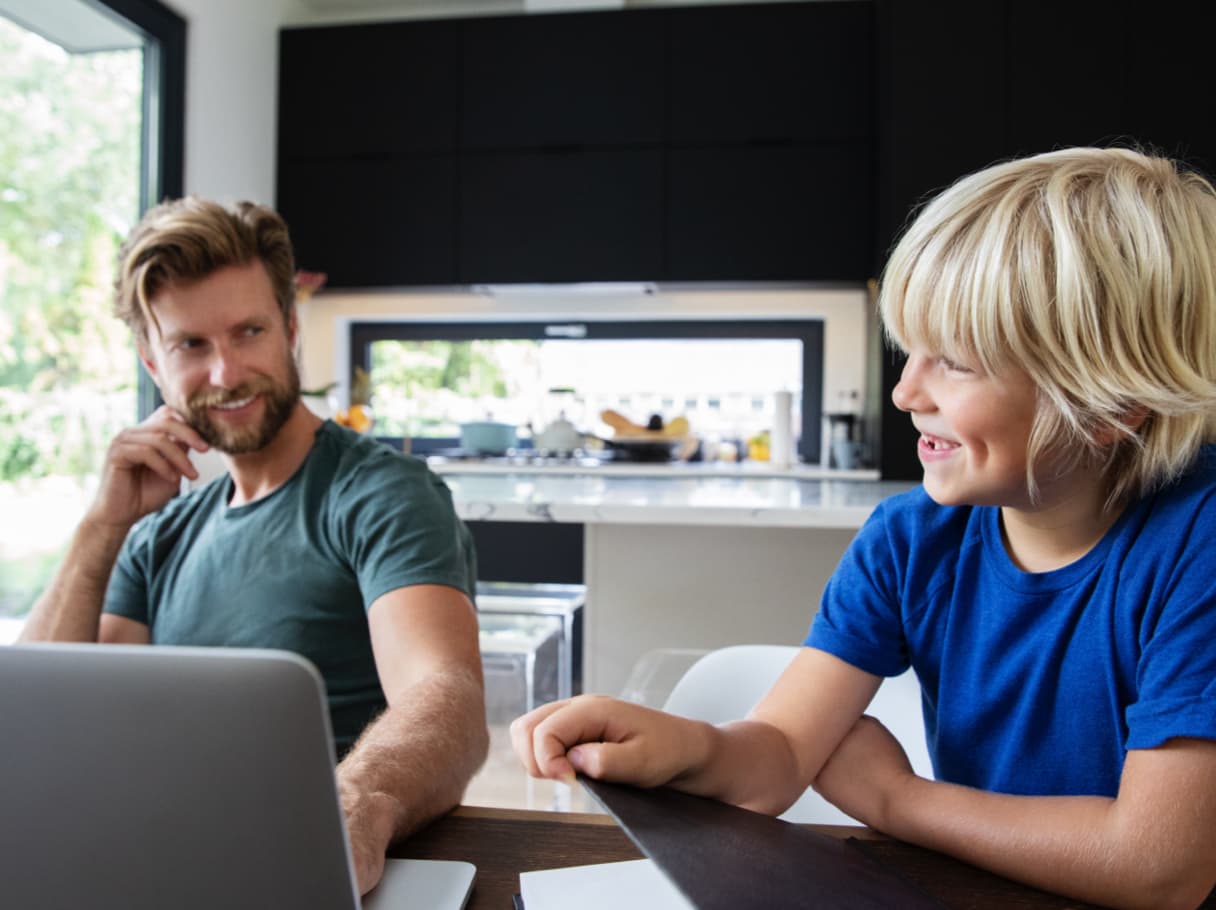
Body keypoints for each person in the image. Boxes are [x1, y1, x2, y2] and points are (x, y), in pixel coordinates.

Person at [511, 147, 1216, 910]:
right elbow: (781, 754)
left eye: (956, 362)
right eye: (910, 350)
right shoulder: (911, 539)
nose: (907, 390)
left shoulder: (1198, 543)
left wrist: (892, 799)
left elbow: (1158, 868)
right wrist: (687, 746)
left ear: (1109, 406)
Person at [20, 197, 489, 896]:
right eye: (191, 345)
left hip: (320, 869)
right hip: (164, 861)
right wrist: (102, 526)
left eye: (249, 332)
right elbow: (41, 724)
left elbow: (444, 693)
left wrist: (355, 804)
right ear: (154, 362)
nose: (227, 373)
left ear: (291, 328)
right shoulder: (156, 536)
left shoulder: (380, 495)